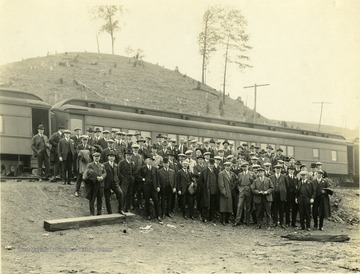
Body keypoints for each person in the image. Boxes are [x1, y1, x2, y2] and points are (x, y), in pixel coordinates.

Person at [135, 155, 161, 221]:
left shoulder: (155, 169)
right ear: (146, 161)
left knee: (156, 200)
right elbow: (136, 174)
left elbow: (157, 178)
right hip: (146, 187)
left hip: (153, 187)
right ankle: (148, 215)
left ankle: (158, 215)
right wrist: (142, 179)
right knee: (147, 201)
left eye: (151, 160)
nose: (150, 161)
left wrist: (158, 186)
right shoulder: (142, 168)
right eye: (149, 160)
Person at [234, 162, 255, 226]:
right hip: (242, 191)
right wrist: (239, 188)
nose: (244, 168)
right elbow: (237, 183)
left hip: (249, 191)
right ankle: (237, 220)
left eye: (245, 166)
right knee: (240, 206)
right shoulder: (240, 174)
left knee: (248, 207)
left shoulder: (252, 174)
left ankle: (247, 221)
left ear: (248, 166)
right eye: (243, 167)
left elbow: (254, 183)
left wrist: (251, 188)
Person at [103, 150, 125, 215]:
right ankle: (109, 212)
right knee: (107, 198)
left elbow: (118, 174)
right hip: (107, 183)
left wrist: (118, 181)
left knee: (120, 193)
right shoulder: (104, 165)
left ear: (114, 158)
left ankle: (120, 209)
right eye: (110, 156)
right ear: (108, 157)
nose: (112, 158)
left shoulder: (116, 165)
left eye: (113, 156)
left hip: (115, 183)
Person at [197, 158, 218, 222]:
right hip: (206, 191)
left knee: (213, 204)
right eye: (210, 164)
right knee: (205, 204)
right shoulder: (204, 171)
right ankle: (205, 217)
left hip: (213, 191)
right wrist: (204, 187)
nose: (211, 165)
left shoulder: (215, 171)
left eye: (212, 164)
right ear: (208, 164)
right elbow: (199, 181)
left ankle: (211, 217)